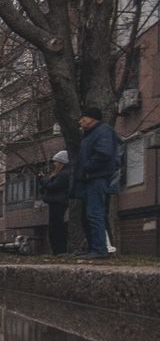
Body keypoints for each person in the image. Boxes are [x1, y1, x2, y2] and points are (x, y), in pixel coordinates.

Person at [72, 107, 118, 258]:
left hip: (96, 177)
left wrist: (87, 168)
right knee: (89, 214)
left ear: (93, 118)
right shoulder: (91, 134)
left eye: (84, 118)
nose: (81, 121)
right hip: (90, 178)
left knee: (95, 212)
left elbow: (103, 153)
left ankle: (99, 249)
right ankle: (94, 247)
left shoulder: (103, 131)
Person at [39, 149, 72, 254]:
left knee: (56, 227)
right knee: (55, 226)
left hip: (58, 202)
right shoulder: (63, 173)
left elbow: (52, 186)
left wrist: (42, 180)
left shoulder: (63, 174)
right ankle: (58, 250)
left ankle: (59, 250)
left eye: (56, 161)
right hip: (57, 202)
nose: (54, 164)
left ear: (61, 162)